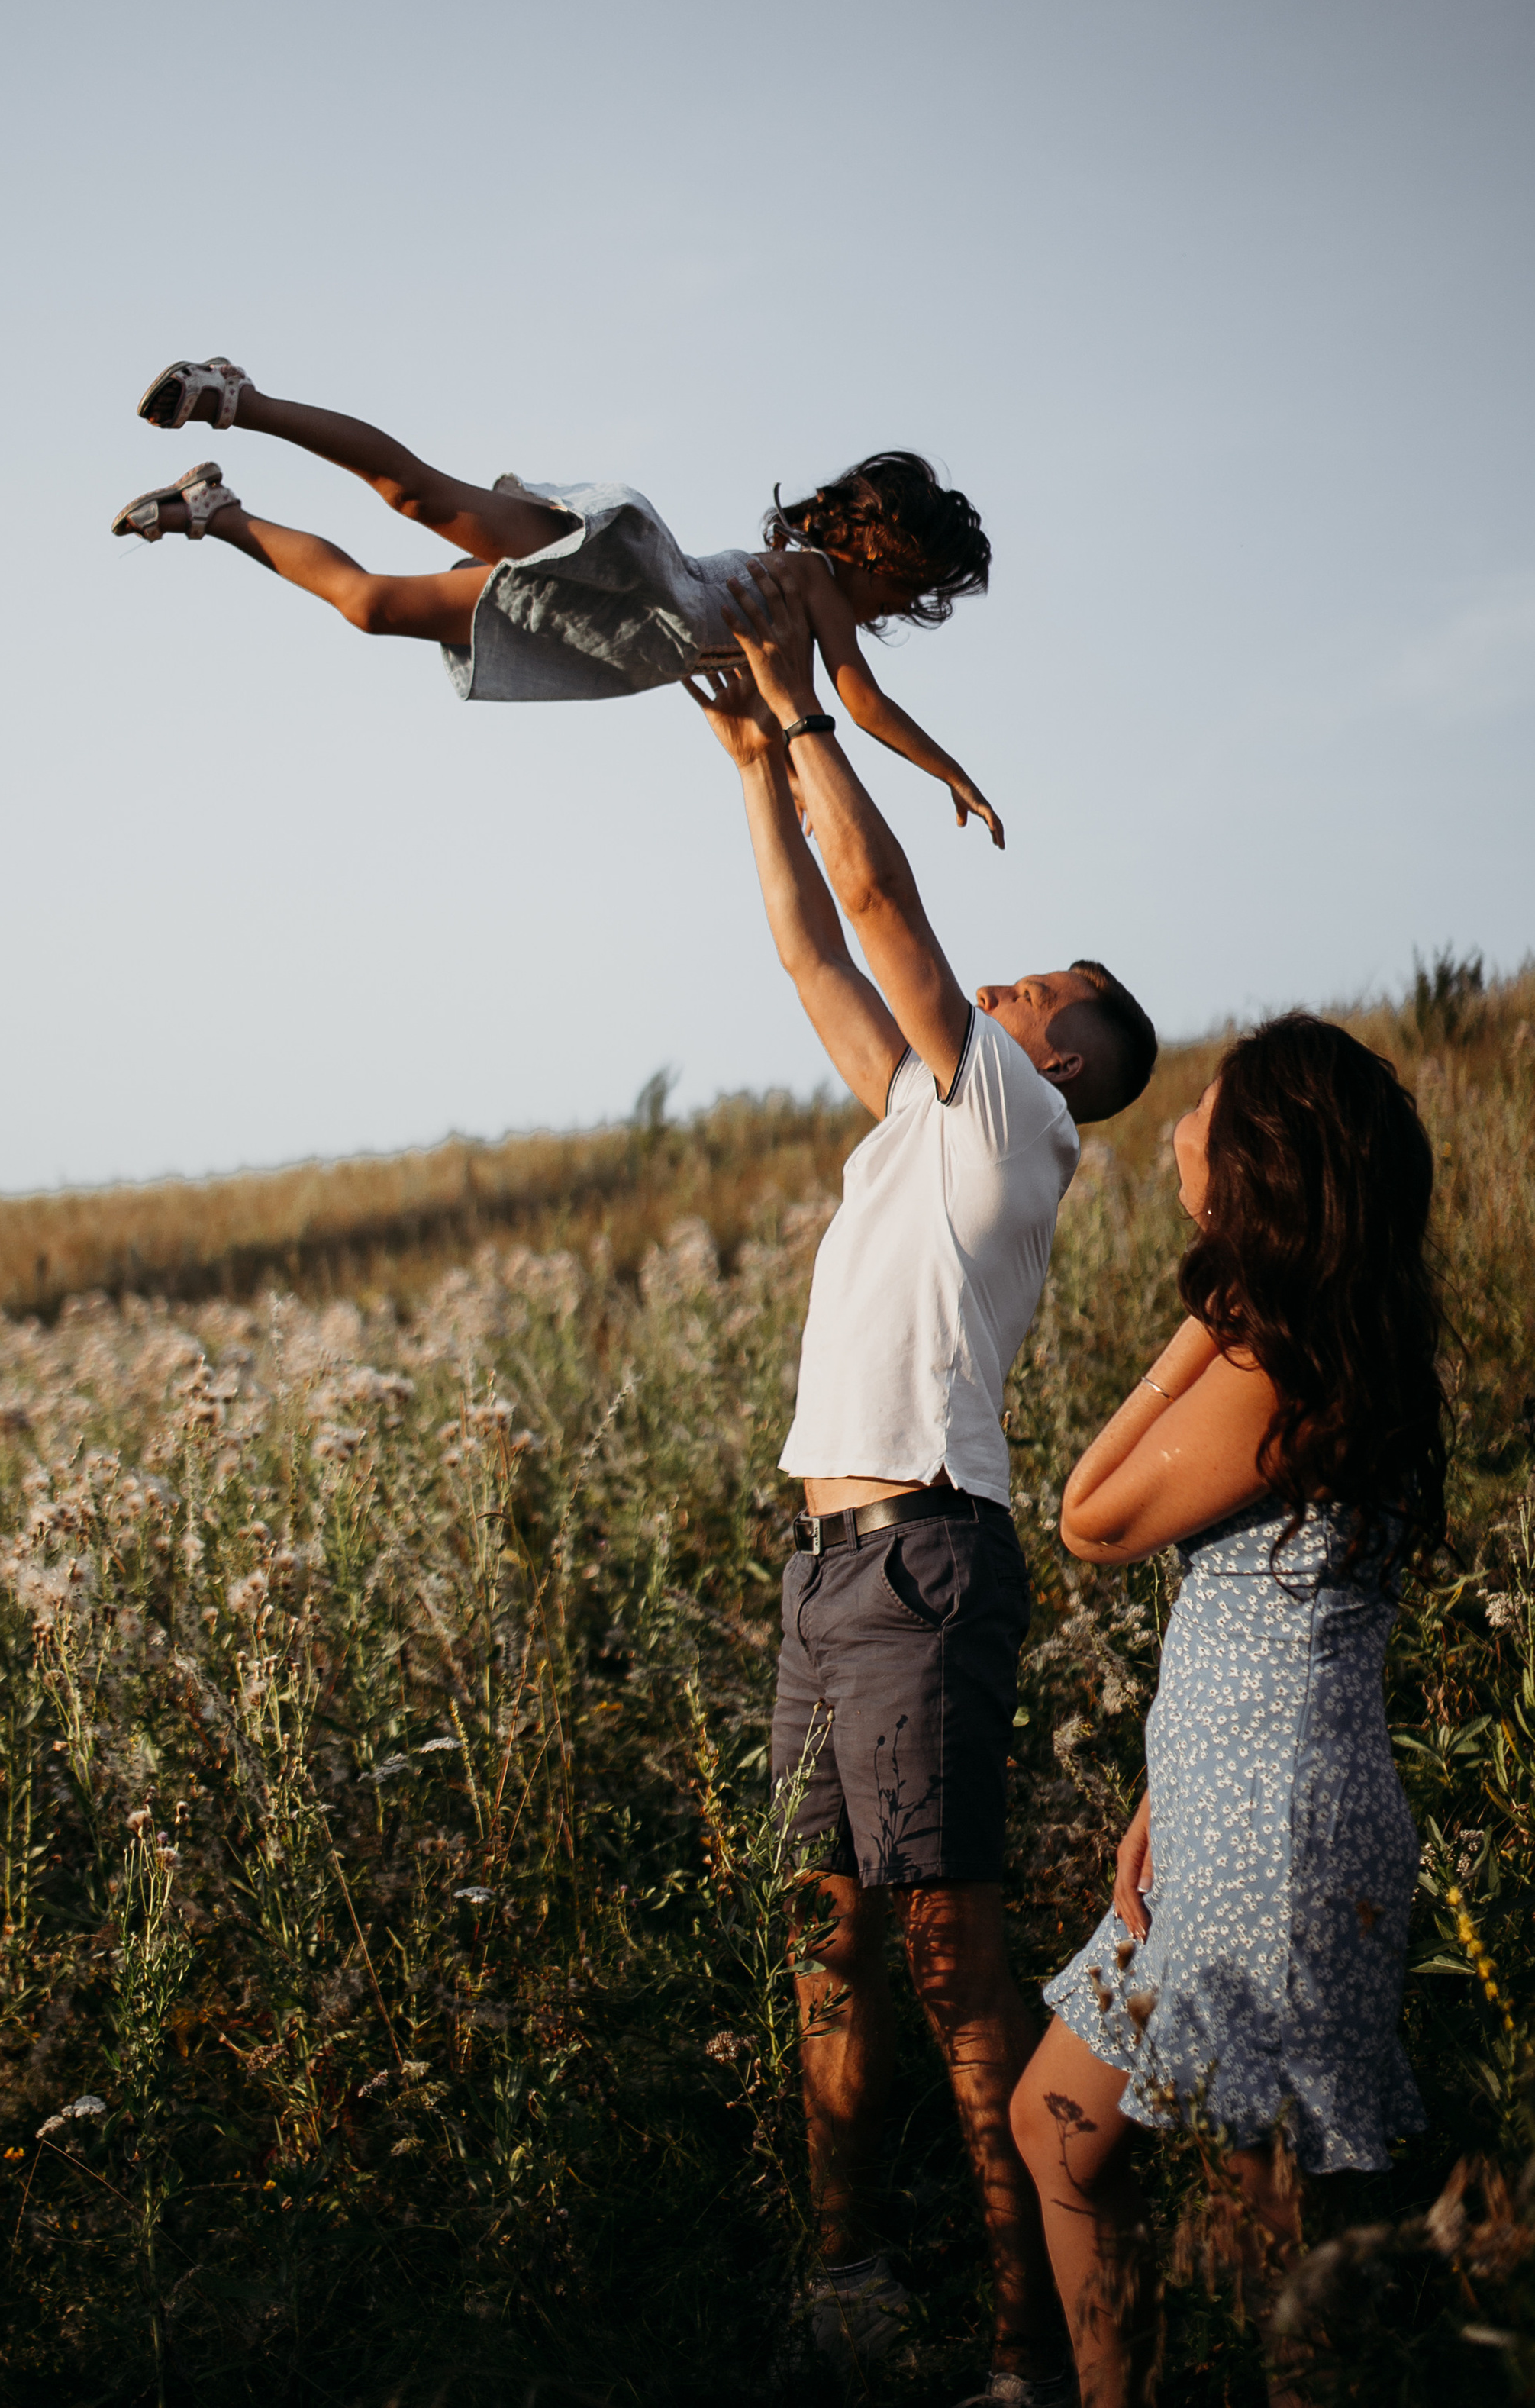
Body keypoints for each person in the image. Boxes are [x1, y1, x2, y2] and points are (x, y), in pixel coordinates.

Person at [688, 554, 1157, 2408]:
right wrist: (747, 767)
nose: (997, 968)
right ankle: (842, 2271)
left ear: (1057, 1052)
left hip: (914, 1570)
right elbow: (819, 945)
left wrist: (807, 710)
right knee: (825, 1935)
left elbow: (879, 902)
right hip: (826, 1571)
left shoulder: (1016, 1121)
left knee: (953, 1959)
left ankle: (1017, 2344)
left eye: (1030, 977)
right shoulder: (918, 1115)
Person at [1008, 1015, 1446, 2408]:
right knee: (1058, 2129)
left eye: (1208, 1108)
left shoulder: (1274, 1371)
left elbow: (1088, 1514)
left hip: (1278, 1848)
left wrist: (1211, 1312)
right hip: (1230, 1821)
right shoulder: (1320, 1355)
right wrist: (1162, 1796)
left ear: (1256, 1168)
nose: (1183, 1123)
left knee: (1277, 2272)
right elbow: (1277, 1629)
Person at [110, 355, 1006, 843]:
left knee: (370, 607)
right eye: (911, 590)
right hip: (624, 573)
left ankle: (216, 513)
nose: (899, 611)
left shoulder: (796, 638)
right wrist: (948, 771)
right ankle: (241, 398)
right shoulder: (813, 584)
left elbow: (789, 725)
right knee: (417, 494)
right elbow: (861, 702)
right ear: (886, 554)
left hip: (601, 634)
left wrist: (809, 800)